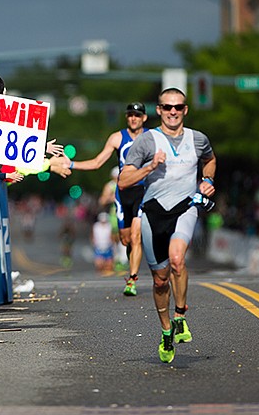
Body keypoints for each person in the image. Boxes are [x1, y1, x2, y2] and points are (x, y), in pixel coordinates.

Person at [118, 87, 216, 364]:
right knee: (160, 280)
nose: (173, 111)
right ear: (159, 110)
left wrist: (207, 181)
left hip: (185, 208)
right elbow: (124, 181)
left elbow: (210, 161)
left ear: (185, 110)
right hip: (153, 212)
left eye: (178, 107)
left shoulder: (198, 139)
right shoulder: (147, 141)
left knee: (177, 261)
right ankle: (165, 332)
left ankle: (181, 316)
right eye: (167, 107)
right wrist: (150, 167)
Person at [69, 102, 149, 296]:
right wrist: (71, 163)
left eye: (137, 115)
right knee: (126, 239)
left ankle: (132, 279)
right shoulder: (117, 138)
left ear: (144, 118)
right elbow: (97, 162)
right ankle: (132, 264)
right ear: (126, 117)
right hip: (123, 194)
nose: (134, 118)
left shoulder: (151, 137)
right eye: (130, 115)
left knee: (137, 236)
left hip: (142, 191)